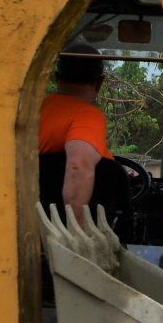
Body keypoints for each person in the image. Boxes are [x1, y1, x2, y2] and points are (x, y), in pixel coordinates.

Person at [39, 44, 113, 209]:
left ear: (57, 77)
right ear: (100, 82)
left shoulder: (33, 112)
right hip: (65, 227)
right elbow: (78, 165)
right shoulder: (87, 115)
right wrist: (77, 229)